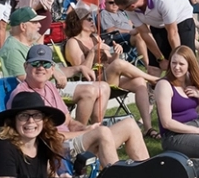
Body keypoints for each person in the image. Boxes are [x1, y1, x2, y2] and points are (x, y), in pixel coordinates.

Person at [8, 46, 147, 166]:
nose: (40, 68)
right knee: (102, 132)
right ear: (26, 66)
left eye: (45, 64)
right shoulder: (23, 96)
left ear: (52, 70)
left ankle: (150, 177)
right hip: (54, 149)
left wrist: (85, 128)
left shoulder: (49, 86)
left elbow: (68, 121)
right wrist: (86, 133)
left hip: (71, 141)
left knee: (129, 124)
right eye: (35, 63)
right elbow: (47, 136)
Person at [64, 8, 159, 138]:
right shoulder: (72, 43)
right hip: (92, 83)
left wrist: (116, 53)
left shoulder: (95, 38)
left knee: (139, 82)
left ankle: (148, 128)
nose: (93, 21)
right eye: (89, 19)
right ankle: (153, 79)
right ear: (78, 22)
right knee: (119, 65)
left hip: (107, 78)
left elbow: (110, 62)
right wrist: (92, 52)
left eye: (93, 18)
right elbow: (81, 70)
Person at [114, 0, 197, 74]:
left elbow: (173, 33)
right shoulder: (129, 6)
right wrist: (160, 59)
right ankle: (154, 87)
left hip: (181, 18)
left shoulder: (161, 0)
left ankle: (191, 85)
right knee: (153, 67)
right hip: (157, 23)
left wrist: (176, 60)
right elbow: (145, 33)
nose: (120, 10)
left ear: (132, 6)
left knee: (185, 61)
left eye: (122, 9)